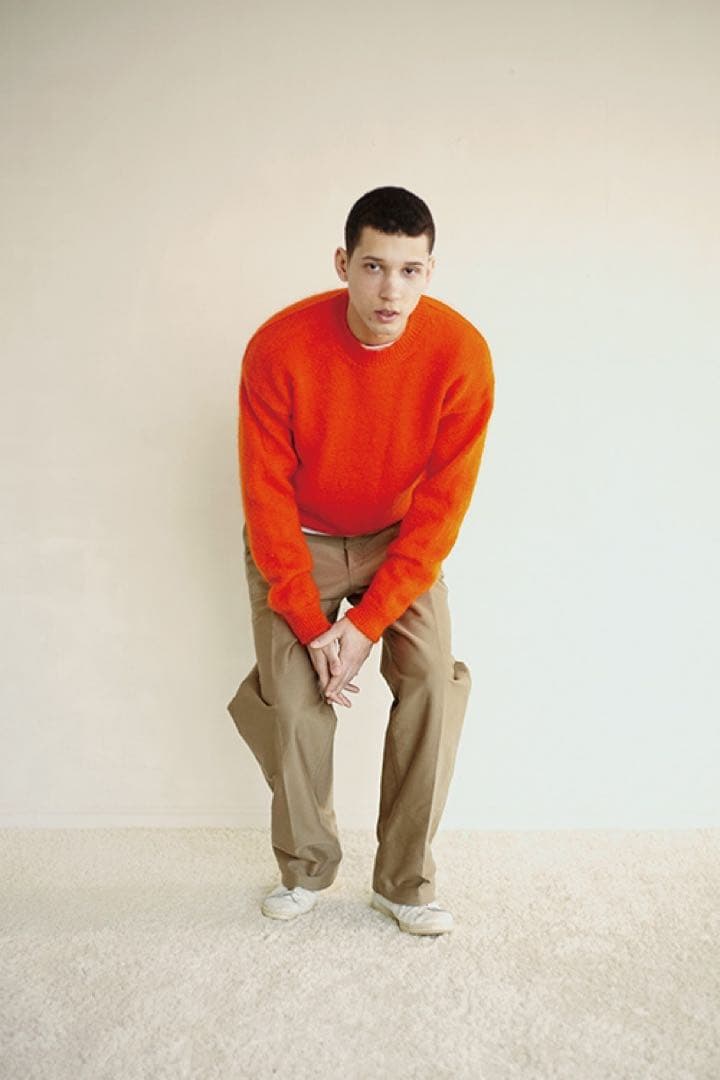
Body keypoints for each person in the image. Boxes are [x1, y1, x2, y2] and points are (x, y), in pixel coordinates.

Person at [227, 185, 494, 935]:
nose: (391, 291)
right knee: (291, 700)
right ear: (344, 263)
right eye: (374, 267)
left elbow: (441, 509)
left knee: (433, 681)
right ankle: (305, 867)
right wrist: (313, 626)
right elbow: (264, 495)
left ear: (430, 271)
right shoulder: (279, 346)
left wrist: (366, 624)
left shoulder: (461, 354)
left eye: (410, 271)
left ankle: (404, 883)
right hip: (297, 539)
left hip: (397, 542)